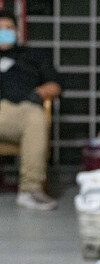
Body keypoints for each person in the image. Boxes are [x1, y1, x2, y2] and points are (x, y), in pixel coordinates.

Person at [0, 9, 61, 210]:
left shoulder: (32, 56)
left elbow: (55, 85)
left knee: (35, 116)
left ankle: (29, 190)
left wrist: (37, 94)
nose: (4, 32)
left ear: (17, 31)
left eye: (8, 28)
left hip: (19, 112)